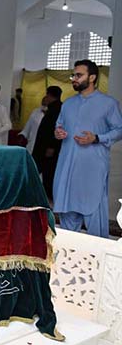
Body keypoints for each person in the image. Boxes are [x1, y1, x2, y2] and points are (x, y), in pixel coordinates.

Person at [53, 59, 122, 238]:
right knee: (67, 211)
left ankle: (97, 261)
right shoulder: (67, 103)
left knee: (94, 211)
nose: (73, 79)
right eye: (73, 75)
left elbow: (119, 130)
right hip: (67, 166)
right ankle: (69, 258)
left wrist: (97, 138)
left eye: (78, 75)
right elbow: (59, 125)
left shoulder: (108, 103)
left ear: (92, 77)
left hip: (92, 168)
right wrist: (58, 132)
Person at [32, 86, 63, 200]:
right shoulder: (52, 108)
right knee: (43, 172)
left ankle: (49, 199)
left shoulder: (57, 109)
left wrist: (51, 147)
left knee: (49, 174)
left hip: (47, 149)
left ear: (49, 95)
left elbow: (56, 129)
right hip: (44, 148)